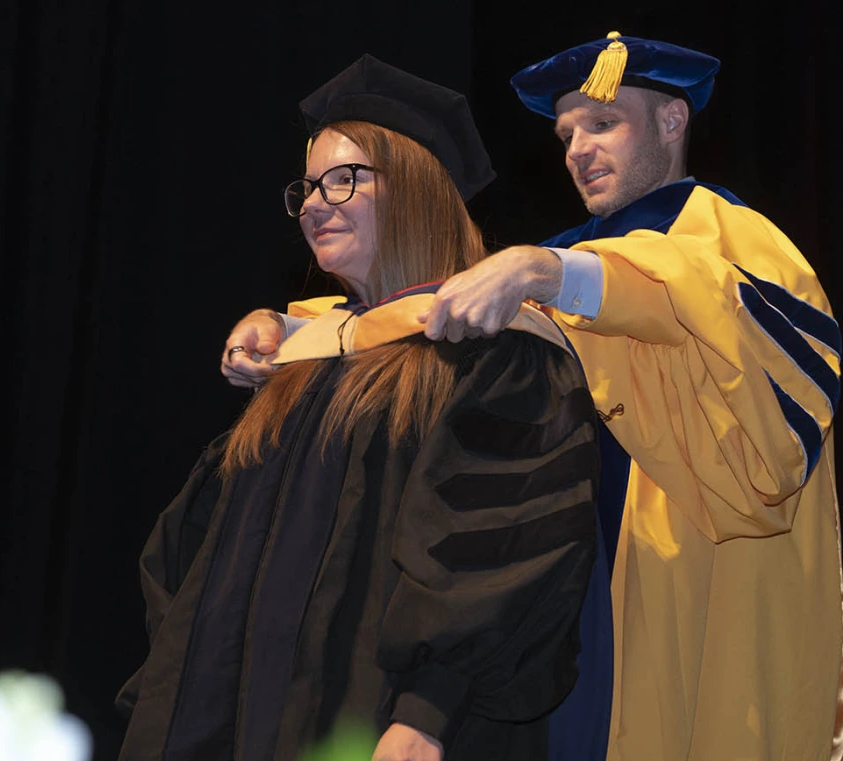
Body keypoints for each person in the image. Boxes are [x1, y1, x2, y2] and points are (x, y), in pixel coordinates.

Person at [220, 34, 843, 761]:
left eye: (602, 123)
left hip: (697, 585)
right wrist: (288, 322)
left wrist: (548, 270)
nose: (577, 148)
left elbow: (708, 313)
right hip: (579, 604)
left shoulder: (731, 238)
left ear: (672, 121)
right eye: (565, 134)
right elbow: (422, 307)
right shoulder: (561, 259)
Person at [117, 55, 602, 761]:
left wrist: (426, 710)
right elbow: (188, 552)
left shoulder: (497, 357)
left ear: (415, 189)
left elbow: (503, 545)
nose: (314, 203)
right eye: (309, 186)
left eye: (343, 179)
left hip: (390, 731)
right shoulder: (306, 365)